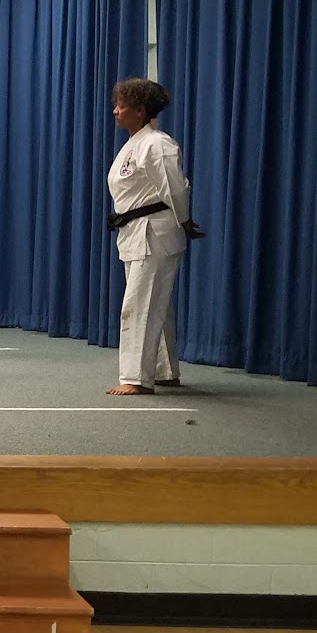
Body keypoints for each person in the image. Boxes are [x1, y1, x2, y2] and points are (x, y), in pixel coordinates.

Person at [106, 78, 201, 395]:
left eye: (123, 106)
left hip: (155, 231)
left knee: (139, 305)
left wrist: (184, 222)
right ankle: (164, 370)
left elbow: (176, 188)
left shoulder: (157, 144)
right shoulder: (134, 144)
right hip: (135, 231)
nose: (116, 111)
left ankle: (135, 377)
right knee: (154, 302)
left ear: (141, 110)